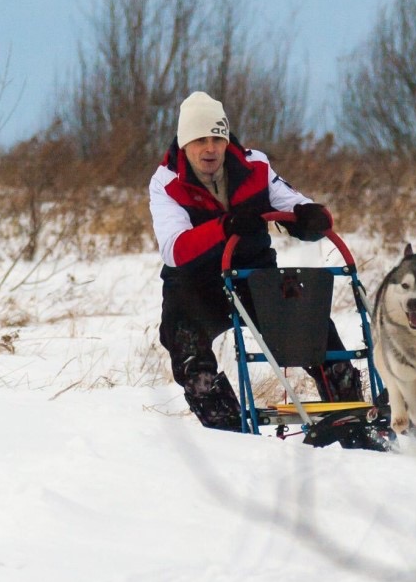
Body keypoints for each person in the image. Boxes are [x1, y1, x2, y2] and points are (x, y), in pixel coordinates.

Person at [149, 91, 363, 431]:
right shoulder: (166, 183)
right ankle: (229, 431)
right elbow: (175, 249)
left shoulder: (255, 166)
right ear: (184, 143)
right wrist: (226, 226)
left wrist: (311, 219)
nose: (210, 149)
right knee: (185, 344)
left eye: (217, 138)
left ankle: (350, 413)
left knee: (311, 327)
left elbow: (299, 206)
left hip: (254, 273)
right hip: (194, 285)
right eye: (200, 140)